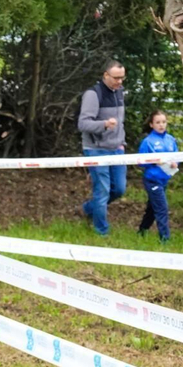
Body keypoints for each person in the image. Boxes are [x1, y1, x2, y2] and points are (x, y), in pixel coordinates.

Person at [77, 59, 126, 236]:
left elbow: (121, 122)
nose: (120, 82)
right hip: (96, 148)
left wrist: (121, 142)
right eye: (116, 78)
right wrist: (104, 124)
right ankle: (102, 232)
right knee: (102, 190)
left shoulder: (120, 92)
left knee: (119, 189)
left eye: (122, 78)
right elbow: (83, 124)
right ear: (106, 75)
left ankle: (88, 209)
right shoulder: (92, 94)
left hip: (117, 148)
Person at [136, 111, 180, 243]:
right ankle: (164, 239)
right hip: (152, 179)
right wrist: (153, 161)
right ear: (151, 124)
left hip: (164, 179)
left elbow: (177, 156)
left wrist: (175, 163)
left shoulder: (171, 140)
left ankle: (142, 231)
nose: (161, 125)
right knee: (162, 208)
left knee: (152, 208)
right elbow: (140, 161)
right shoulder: (148, 142)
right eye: (158, 122)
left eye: (164, 122)